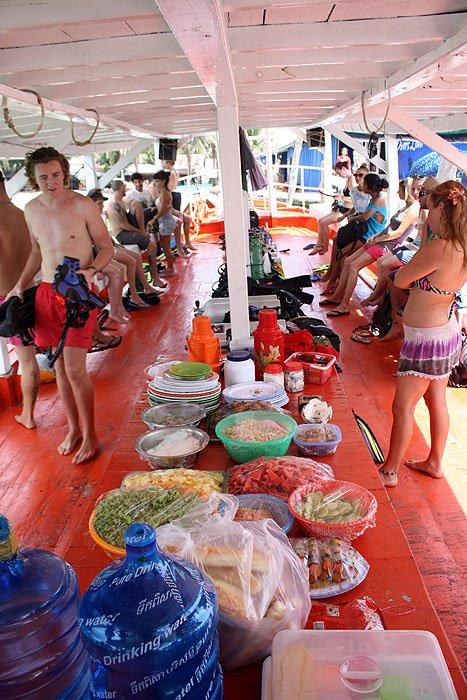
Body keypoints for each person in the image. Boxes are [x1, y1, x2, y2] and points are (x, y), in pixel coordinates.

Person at [6, 147, 115, 463]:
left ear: (64, 173)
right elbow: (37, 253)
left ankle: (91, 436)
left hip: (78, 292)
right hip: (46, 292)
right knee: (57, 368)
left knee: (75, 369)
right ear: (34, 178)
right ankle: (73, 429)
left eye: (55, 175)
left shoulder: (83, 206)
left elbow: (105, 247)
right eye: (43, 177)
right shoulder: (31, 208)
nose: (50, 182)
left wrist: (93, 269)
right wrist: (19, 283)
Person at [378, 181, 467, 488]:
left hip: (425, 340)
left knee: (402, 406)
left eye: (429, 206)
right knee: (436, 400)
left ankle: (389, 470)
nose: (425, 211)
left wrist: (402, 264)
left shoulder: (440, 247)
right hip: (445, 332)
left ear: (443, 208)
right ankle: (434, 462)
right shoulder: (461, 245)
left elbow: (402, 280)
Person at [325, 178, 422, 317]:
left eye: (400, 190)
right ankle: (337, 296)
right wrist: (376, 237)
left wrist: (376, 239)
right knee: (347, 261)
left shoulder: (414, 209)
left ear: (405, 190)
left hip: (386, 245)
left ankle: (344, 305)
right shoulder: (405, 207)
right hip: (379, 240)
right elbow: (389, 227)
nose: (397, 192)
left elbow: (398, 233)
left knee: (353, 266)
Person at [0, 169, 39, 429]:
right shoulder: (24, 214)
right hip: (29, 292)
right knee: (31, 358)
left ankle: (28, 415)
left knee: (27, 361)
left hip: (6, 300)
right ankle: (27, 413)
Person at [321, 173, 388, 311]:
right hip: (365, 234)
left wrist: (352, 218)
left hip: (369, 236)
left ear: (369, 186)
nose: (361, 185)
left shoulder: (377, 200)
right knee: (342, 254)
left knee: (345, 258)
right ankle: (336, 289)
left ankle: (340, 296)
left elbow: (364, 217)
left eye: (364, 183)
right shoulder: (374, 198)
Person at [88, 188, 161, 308]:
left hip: (108, 248)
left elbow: (105, 235)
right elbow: (90, 244)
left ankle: (143, 288)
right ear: (90, 203)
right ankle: (133, 295)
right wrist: (97, 267)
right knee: (130, 261)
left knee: (136, 256)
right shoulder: (89, 219)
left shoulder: (97, 217)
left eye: (102, 204)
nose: (102, 207)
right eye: (99, 204)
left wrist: (116, 245)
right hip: (100, 253)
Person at [106, 180, 167, 288]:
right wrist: (140, 232)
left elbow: (133, 206)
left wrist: (136, 206)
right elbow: (123, 225)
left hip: (126, 231)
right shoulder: (114, 204)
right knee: (152, 246)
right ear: (121, 188)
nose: (125, 189)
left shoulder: (121, 201)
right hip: (122, 234)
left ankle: (154, 277)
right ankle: (155, 279)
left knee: (137, 204)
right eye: (124, 187)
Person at [305, 161, 357, 255]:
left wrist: (341, 197)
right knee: (321, 220)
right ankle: (318, 246)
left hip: (347, 211)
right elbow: (347, 196)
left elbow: (355, 200)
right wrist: (339, 196)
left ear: (344, 169)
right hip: (342, 208)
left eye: (339, 173)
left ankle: (324, 248)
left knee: (324, 223)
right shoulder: (348, 179)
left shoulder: (352, 180)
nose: (339, 175)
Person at [162, 160, 195, 252]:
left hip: (172, 195)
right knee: (178, 219)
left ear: (168, 163)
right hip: (176, 194)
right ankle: (180, 243)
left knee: (179, 219)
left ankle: (183, 242)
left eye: (165, 162)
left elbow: (166, 187)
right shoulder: (175, 172)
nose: (163, 164)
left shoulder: (170, 173)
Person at [152, 170, 180, 276]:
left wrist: (153, 219)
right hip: (166, 221)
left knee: (166, 247)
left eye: (158, 181)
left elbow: (163, 210)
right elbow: (162, 207)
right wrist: (155, 208)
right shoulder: (165, 192)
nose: (156, 183)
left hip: (165, 222)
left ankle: (170, 269)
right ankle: (170, 262)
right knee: (166, 246)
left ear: (163, 181)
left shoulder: (165, 193)